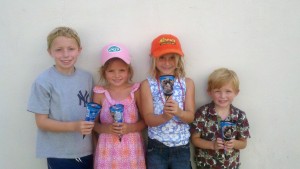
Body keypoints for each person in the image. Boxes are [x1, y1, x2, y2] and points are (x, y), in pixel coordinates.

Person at [27, 26, 94, 169]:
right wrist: (75, 126)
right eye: (59, 50)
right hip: (59, 154)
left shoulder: (87, 78)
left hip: (86, 150)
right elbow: (42, 122)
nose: (66, 54)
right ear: (50, 52)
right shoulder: (43, 81)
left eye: (71, 49)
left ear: (79, 50)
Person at [140, 34, 195, 169]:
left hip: (182, 147)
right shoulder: (147, 85)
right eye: (162, 57)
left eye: (172, 58)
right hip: (157, 147)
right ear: (154, 59)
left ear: (178, 60)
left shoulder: (187, 83)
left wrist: (179, 112)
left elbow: (190, 117)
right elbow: (148, 119)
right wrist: (164, 116)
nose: (167, 62)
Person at [93, 43, 146, 169]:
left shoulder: (135, 90)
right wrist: (107, 129)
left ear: (129, 71)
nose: (117, 75)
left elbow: (145, 121)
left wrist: (130, 128)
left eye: (121, 70)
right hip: (107, 152)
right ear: (104, 72)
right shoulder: (99, 93)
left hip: (132, 150)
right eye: (111, 71)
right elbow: (93, 125)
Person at [190, 68, 251, 169]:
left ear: (236, 92)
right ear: (209, 92)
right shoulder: (202, 113)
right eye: (217, 91)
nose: (223, 96)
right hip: (205, 165)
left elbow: (243, 143)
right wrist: (212, 145)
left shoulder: (240, 116)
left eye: (228, 91)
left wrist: (234, 143)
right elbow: (194, 139)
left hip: (230, 165)